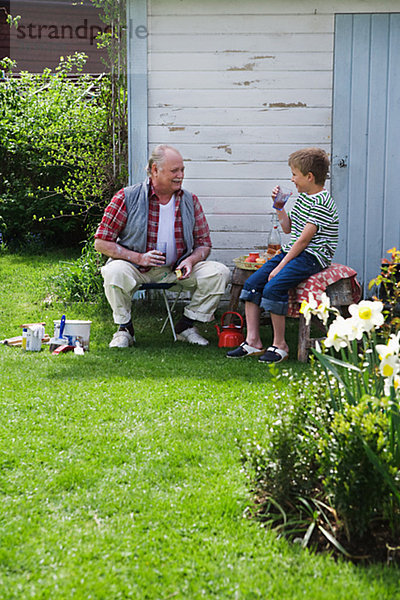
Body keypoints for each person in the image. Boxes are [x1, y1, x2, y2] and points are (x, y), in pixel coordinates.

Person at [94, 144, 230, 348]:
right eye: (175, 170)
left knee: (219, 272)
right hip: (137, 268)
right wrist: (138, 258)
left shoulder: (190, 200)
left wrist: (191, 260)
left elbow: (204, 244)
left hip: (176, 270)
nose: (180, 175)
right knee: (114, 271)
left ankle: (186, 326)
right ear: (155, 170)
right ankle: (125, 329)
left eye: (182, 170)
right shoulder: (127, 197)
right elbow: (101, 242)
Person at [227, 147, 339, 363]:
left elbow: (304, 241)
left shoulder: (322, 202)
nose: (292, 179)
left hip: (312, 256)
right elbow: (289, 230)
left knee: (273, 286)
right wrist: (279, 207)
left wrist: (279, 267)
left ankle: (280, 345)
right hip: (293, 252)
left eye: (295, 174)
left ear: (309, 176)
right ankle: (253, 341)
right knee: (252, 283)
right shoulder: (304, 198)